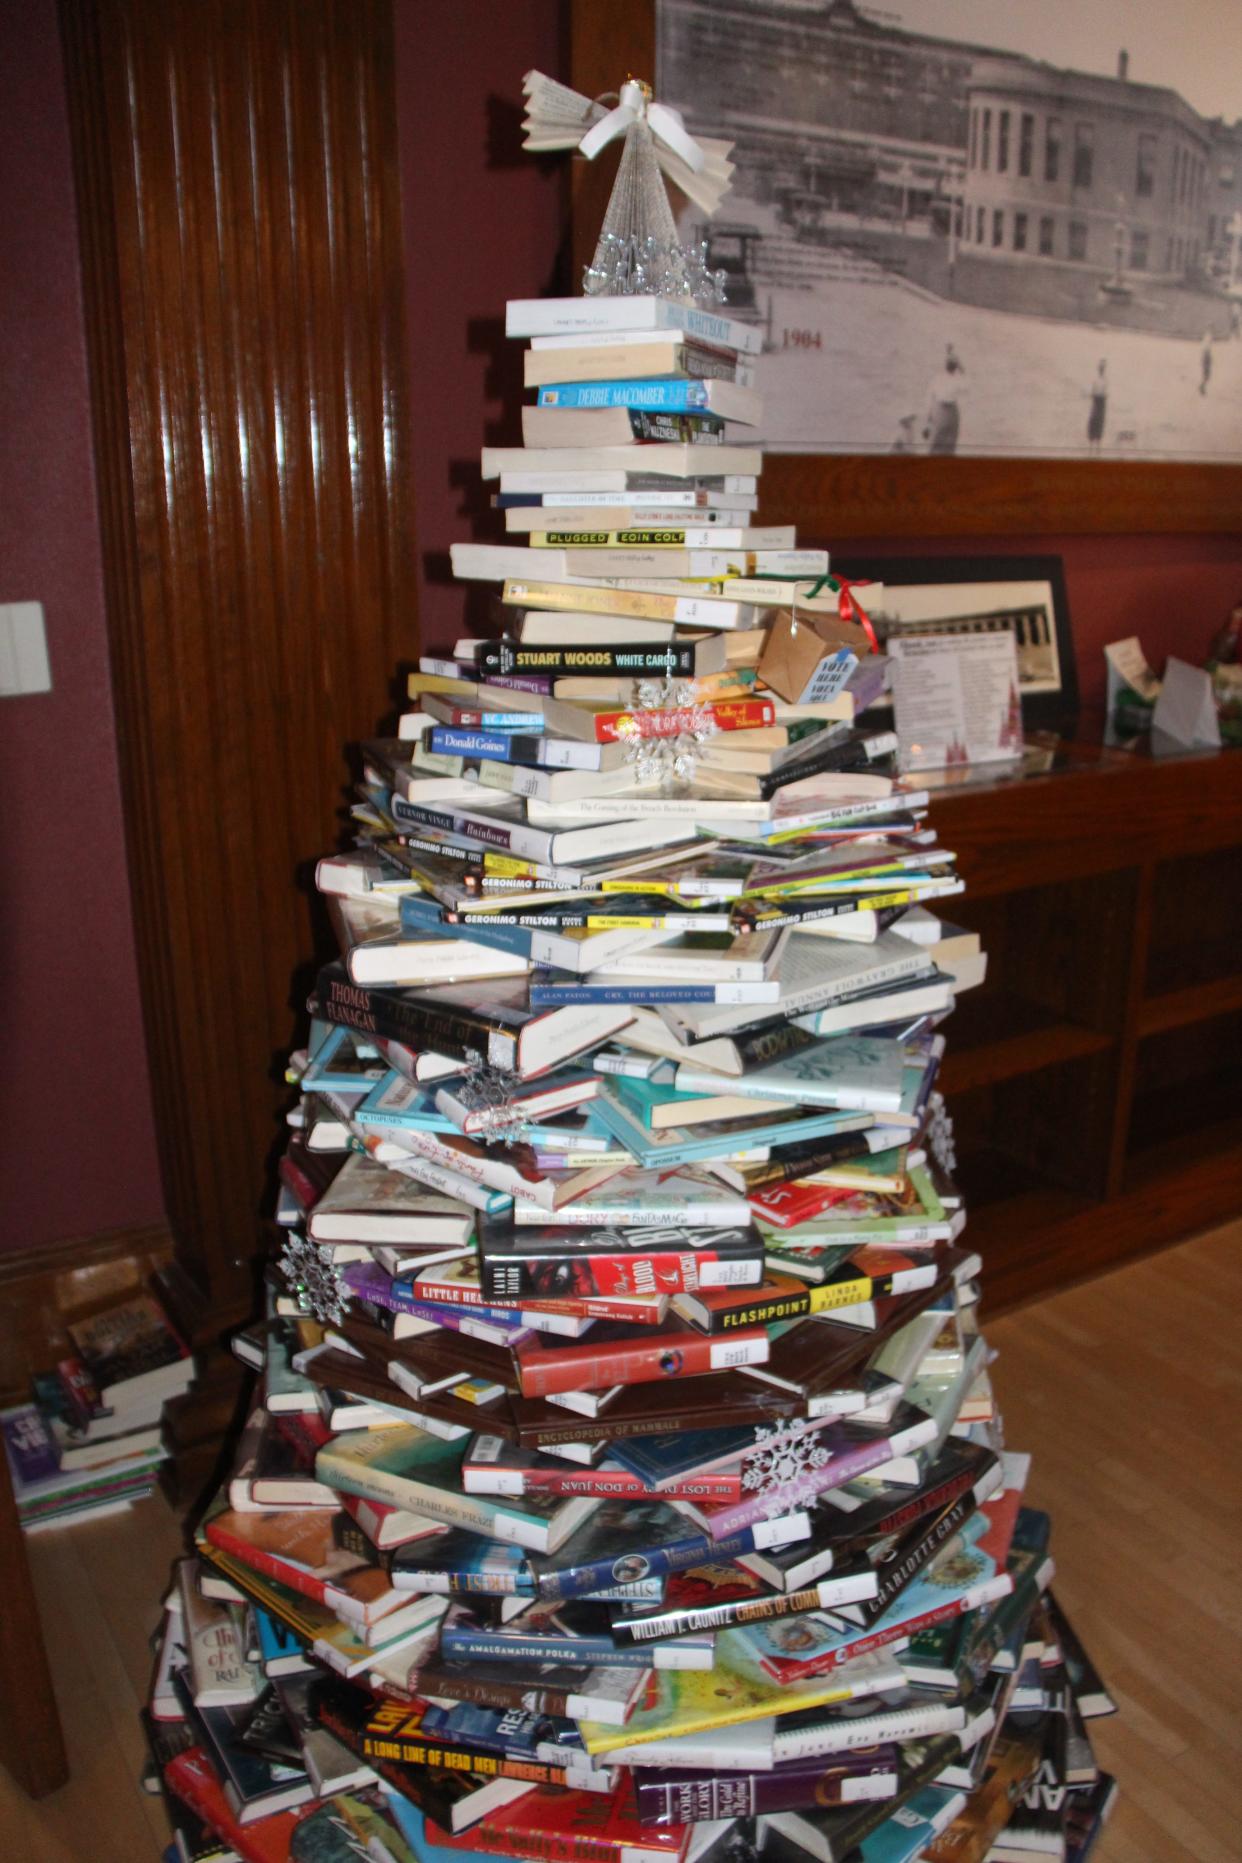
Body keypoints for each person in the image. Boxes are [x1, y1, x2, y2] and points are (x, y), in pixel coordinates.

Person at [924, 351, 965, 453]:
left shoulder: (938, 378)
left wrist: (927, 421)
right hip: (944, 410)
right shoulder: (952, 379)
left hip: (947, 411)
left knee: (947, 443)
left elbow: (929, 399)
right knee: (940, 442)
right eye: (953, 364)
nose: (952, 366)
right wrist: (961, 366)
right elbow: (967, 385)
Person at [1087, 359, 1108, 451]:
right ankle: (1091, 445)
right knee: (1093, 421)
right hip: (1096, 402)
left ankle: (1098, 446)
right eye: (1100, 367)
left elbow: (1106, 393)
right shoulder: (1095, 380)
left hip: (1102, 403)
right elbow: (1092, 391)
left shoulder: (1105, 380)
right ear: (1098, 368)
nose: (1101, 369)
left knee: (1100, 422)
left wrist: (1102, 396)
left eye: (1103, 368)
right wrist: (1095, 395)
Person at [1200, 331, 1213, 395]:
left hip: (1206, 359)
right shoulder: (1206, 346)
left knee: (1207, 376)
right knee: (1207, 376)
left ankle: (1202, 387)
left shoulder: (1205, 345)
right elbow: (1206, 355)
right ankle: (1202, 387)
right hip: (1206, 359)